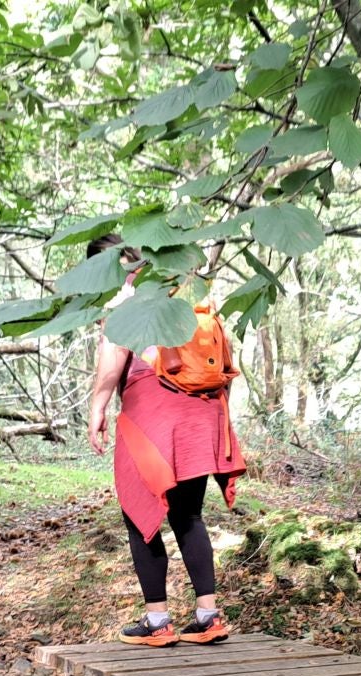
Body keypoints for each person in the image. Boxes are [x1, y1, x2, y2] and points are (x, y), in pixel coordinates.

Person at [84, 235, 245, 646]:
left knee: (140, 512)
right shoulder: (183, 287)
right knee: (188, 514)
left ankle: (157, 621)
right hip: (202, 408)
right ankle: (208, 617)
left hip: (153, 410)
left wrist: (98, 406)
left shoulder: (124, 296)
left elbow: (113, 360)